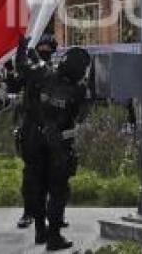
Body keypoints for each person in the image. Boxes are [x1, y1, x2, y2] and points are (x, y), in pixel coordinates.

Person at [16, 37, 90, 251]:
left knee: (37, 187)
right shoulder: (78, 90)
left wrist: (22, 45)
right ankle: (54, 236)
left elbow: (21, 67)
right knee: (58, 191)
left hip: (33, 140)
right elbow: (79, 116)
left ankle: (40, 230)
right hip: (58, 145)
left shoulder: (43, 72)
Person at [15, 34, 57, 230]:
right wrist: (22, 49)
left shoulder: (54, 71)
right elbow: (21, 69)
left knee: (52, 174)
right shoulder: (32, 72)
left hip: (50, 128)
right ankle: (28, 212)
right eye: (42, 47)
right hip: (32, 127)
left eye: (48, 47)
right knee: (31, 174)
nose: (45, 49)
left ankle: (53, 214)